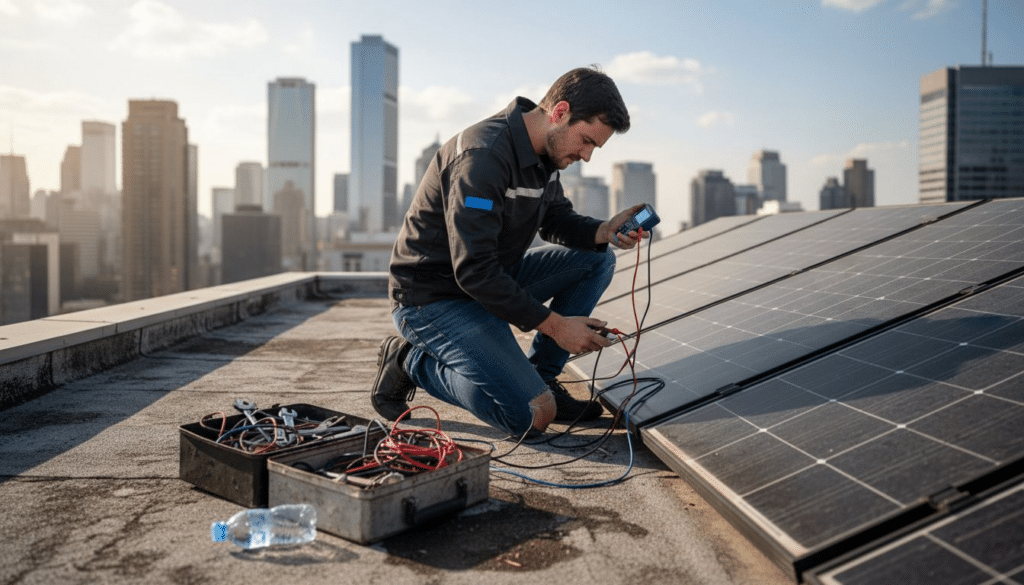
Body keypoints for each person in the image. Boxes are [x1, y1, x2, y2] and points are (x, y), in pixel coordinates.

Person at [371, 66, 648, 437]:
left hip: (486, 284)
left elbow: (555, 219)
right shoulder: (482, 156)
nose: (586, 156)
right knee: (529, 415)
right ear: (560, 112)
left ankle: (542, 378)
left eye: (594, 147)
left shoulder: (545, 158)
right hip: (432, 299)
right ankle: (410, 361)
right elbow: (474, 270)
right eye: (586, 141)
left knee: (596, 258)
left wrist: (602, 230)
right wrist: (556, 326)